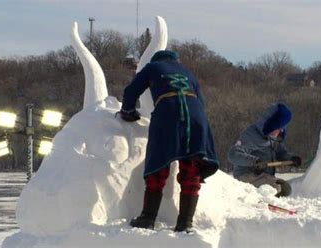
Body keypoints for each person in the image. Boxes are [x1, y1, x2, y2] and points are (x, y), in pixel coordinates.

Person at [119, 50, 219, 233]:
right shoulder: (187, 71)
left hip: (168, 113)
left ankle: (148, 218)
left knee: (159, 163)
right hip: (197, 116)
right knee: (192, 167)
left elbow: (131, 91)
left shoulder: (152, 67)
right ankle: (185, 223)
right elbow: (201, 100)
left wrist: (128, 112)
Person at [227, 103, 301, 197]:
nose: (281, 131)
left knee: (284, 188)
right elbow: (233, 155)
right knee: (279, 188)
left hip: (264, 176)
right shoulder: (251, 135)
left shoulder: (273, 138)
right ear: (272, 124)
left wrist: (292, 158)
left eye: (282, 128)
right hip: (246, 176)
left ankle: (266, 198)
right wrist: (255, 161)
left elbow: (280, 152)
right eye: (279, 128)